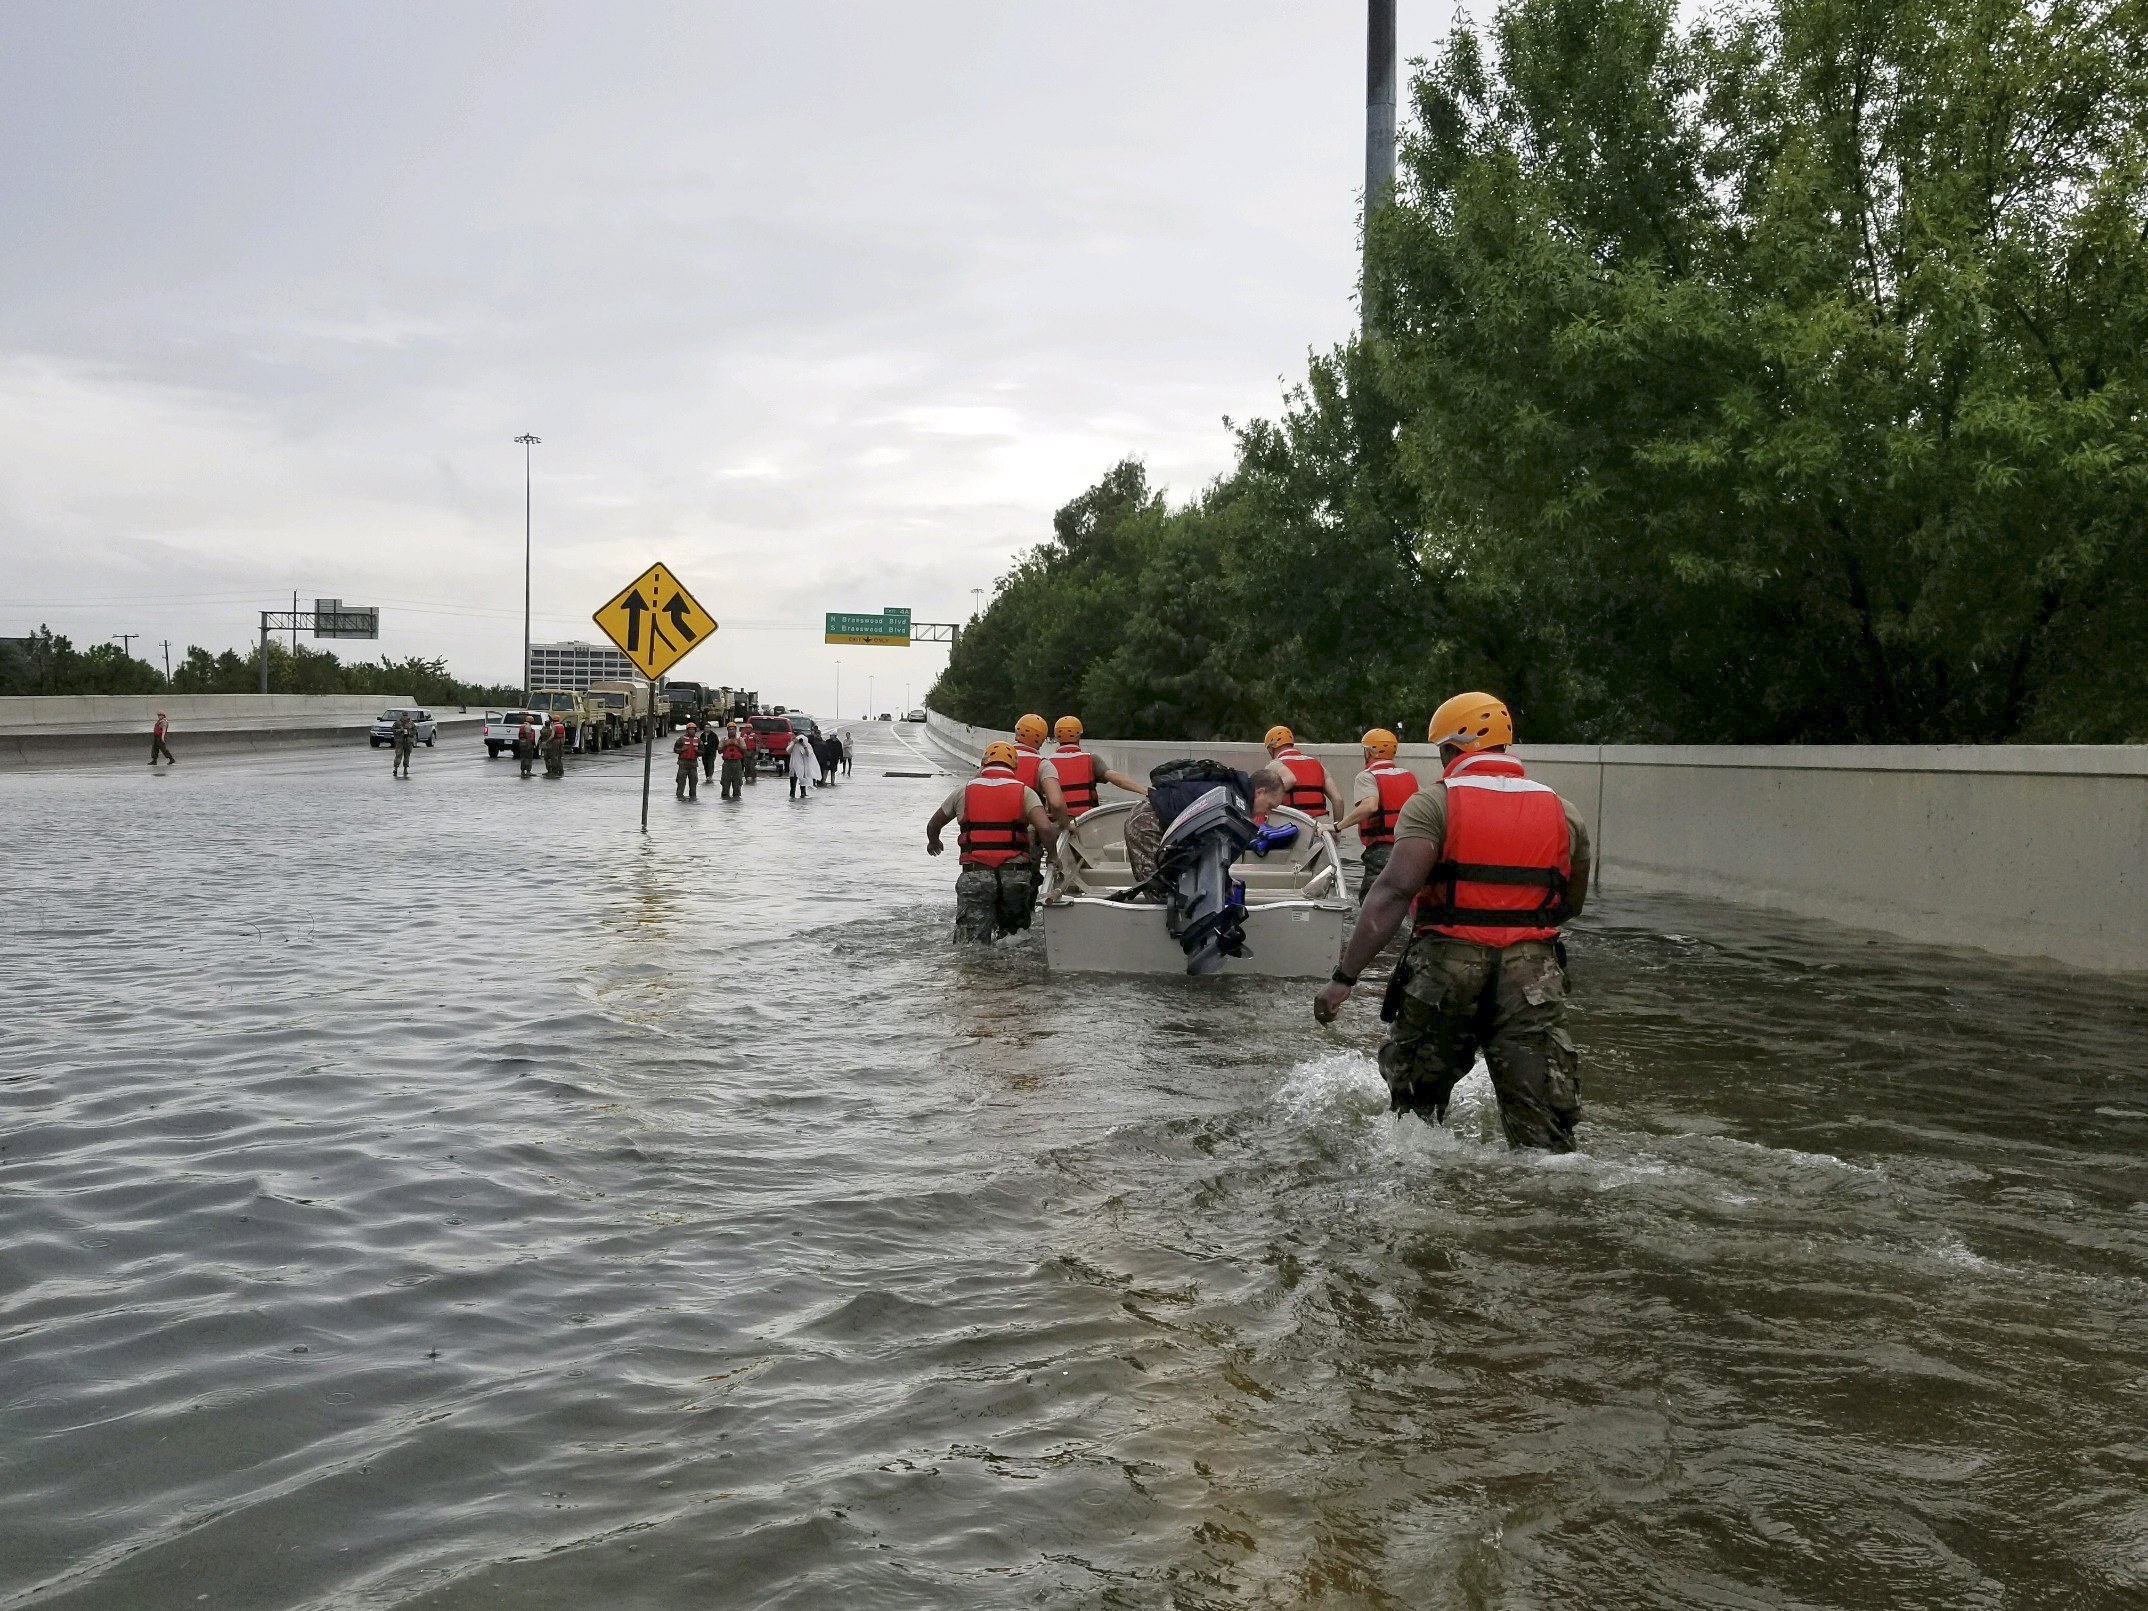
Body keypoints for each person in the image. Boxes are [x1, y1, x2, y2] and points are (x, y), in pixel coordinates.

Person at [1314, 693, 1592, 1153]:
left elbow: (1393, 893)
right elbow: (1570, 903)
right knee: (1544, 1138)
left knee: (1414, 1123)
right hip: (1533, 977)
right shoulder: (1563, 811)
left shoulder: (1433, 805)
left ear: (1449, 750)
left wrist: (1344, 978)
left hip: (1446, 970)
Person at [925, 741, 1059, 944]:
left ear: (983, 763)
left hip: (975, 875)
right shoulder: (1024, 792)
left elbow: (933, 824)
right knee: (1015, 940)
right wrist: (1053, 855)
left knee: (971, 944)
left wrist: (933, 841)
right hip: (1014, 876)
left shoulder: (963, 791)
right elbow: (1045, 828)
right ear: (1014, 766)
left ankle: (977, 973)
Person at [1123, 761, 1295, 890]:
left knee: (1177, 889)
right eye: (1270, 806)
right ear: (1260, 791)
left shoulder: (1234, 792)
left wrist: (1225, 881)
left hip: (1158, 817)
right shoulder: (1234, 804)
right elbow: (1211, 849)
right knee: (1159, 889)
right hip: (1149, 821)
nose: (1267, 814)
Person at [1333, 728, 1421, 900]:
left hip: (1382, 850)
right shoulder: (1408, 776)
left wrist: (1338, 826)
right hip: (1409, 848)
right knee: (1404, 900)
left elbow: (1370, 806)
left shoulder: (1367, 777)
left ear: (1368, 752)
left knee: (1372, 901)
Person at [1042, 716, 1148, 828]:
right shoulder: (1091, 760)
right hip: (1087, 822)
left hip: (1058, 823)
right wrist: (1145, 791)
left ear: (1057, 738)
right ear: (1079, 735)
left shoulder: (1046, 763)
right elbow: (1116, 778)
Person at [1263, 725, 1344, 820]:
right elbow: (1338, 800)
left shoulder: (1274, 765)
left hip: (1292, 822)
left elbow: (1264, 799)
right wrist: (1336, 829)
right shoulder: (1317, 764)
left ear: (1271, 748)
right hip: (1321, 824)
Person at [673, 721, 701, 800]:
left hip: (693, 764)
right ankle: (679, 795)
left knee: (694, 781)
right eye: (690, 729)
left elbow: (702, 752)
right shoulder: (681, 739)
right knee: (681, 781)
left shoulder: (698, 740)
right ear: (687, 730)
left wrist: (697, 751)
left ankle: (693, 796)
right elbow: (675, 749)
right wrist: (682, 749)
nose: (692, 731)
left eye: (693, 729)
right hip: (683, 763)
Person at [718, 724, 747, 799]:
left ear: (735, 730)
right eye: (730, 729)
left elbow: (744, 750)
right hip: (727, 763)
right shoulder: (724, 739)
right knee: (725, 781)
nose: (731, 731)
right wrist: (725, 745)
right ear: (727, 730)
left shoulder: (740, 739)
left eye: (733, 729)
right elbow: (719, 751)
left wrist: (737, 745)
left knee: (737, 782)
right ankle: (725, 797)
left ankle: (736, 798)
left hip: (737, 762)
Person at [787, 729, 814, 798]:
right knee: (793, 784)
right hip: (793, 766)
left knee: (803, 783)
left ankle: (803, 794)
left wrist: (804, 745)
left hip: (803, 767)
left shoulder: (807, 745)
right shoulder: (793, 744)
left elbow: (808, 754)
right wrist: (794, 743)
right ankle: (792, 795)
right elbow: (788, 751)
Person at [391, 712, 416, 778]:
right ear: (402, 716)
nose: (405, 717)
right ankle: (395, 769)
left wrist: (409, 733)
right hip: (400, 741)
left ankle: (405, 769)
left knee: (407, 755)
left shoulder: (411, 723)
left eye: (406, 716)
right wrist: (399, 730)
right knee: (398, 754)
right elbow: (392, 730)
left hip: (408, 742)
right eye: (404, 716)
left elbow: (415, 731)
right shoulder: (397, 723)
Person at [514, 714, 538, 778]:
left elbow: (519, 735)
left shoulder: (522, 726)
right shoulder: (528, 727)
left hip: (521, 742)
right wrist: (529, 744)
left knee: (523, 757)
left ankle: (522, 771)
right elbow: (528, 736)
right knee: (528, 757)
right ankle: (528, 771)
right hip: (526, 743)